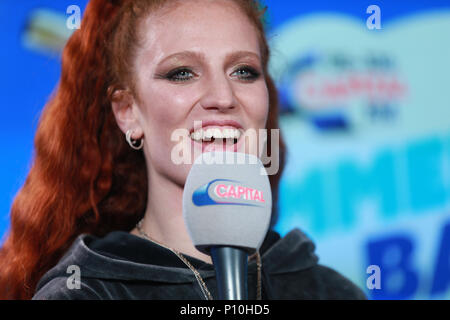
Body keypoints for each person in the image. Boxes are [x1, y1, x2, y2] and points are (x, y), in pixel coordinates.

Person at [0, 0, 366, 300]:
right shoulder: (86, 293)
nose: (223, 98)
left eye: (243, 71)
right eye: (181, 73)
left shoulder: (331, 291)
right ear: (128, 112)